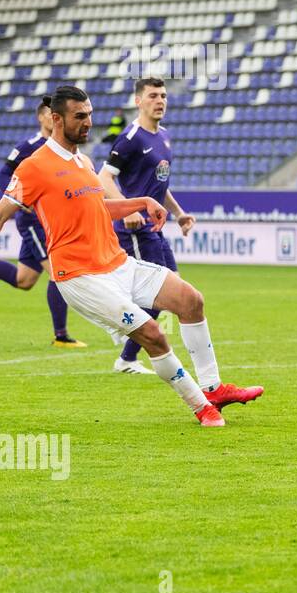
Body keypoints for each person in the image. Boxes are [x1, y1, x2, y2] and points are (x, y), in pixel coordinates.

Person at [0, 85, 263, 426]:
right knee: (153, 333)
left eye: (90, 115)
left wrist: (142, 202)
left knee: (190, 299)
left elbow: (99, 207)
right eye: (79, 117)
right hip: (79, 276)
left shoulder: (84, 161)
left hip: (117, 263)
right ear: (56, 119)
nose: (88, 123)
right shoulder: (34, 167)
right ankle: (201, 407)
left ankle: (213, 388)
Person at [0, 96, 86, 348]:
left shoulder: (64, 148)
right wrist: (23, 200)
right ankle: (61, 336)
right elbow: (3, 175)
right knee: (58, 273)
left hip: (49, 221)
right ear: (43, 117)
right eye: (47, 113)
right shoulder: (29, 146)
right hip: (33, 222)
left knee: (24, 280)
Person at [97, 77, 196, 375]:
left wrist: (178, 214)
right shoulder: (131, 138)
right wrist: (127, 208)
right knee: (159, 292)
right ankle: (127, 354)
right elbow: (104, 178)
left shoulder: (163, 137)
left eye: (163, 95)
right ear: (138, 100)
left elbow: (159, 185)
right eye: (153, 95)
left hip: (156, 228)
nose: (160, 101)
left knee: (174, 288)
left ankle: (125, 338)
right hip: (134, 229)